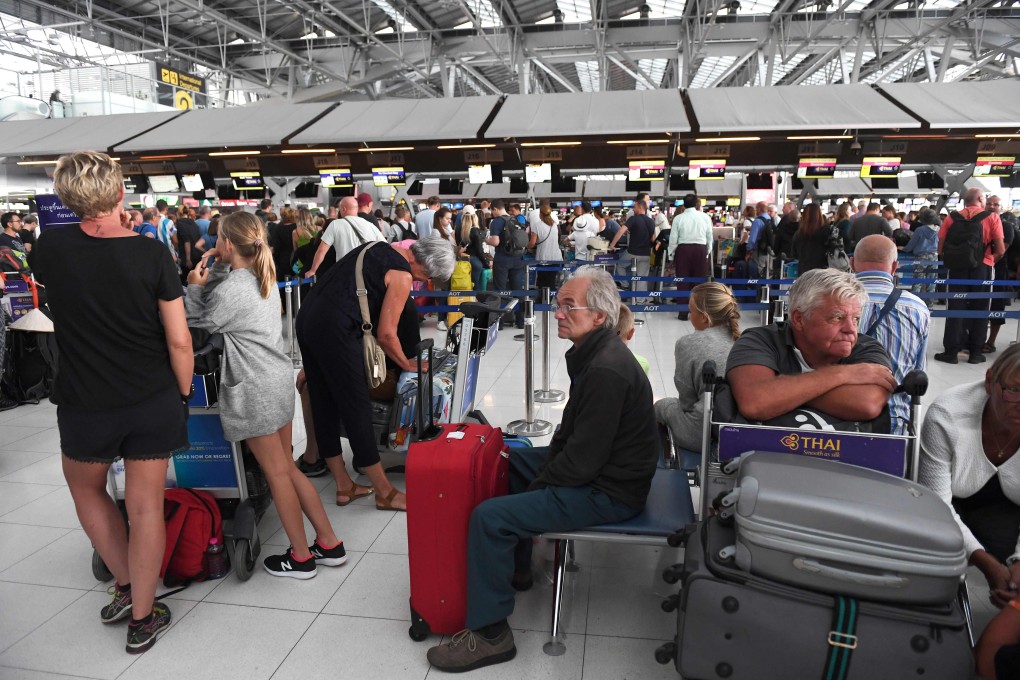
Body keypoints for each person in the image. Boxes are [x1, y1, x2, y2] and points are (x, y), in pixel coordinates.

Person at [426, 266, 657, 673]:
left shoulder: (605, 369)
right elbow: (573, 436)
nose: (558, 312)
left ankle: (491, 634)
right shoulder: (595, 353)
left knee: (489, 518)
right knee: (506, 462)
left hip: (611, 492)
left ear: (599, 316)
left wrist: (538, 487)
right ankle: (515, 570)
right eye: (559, 303)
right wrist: (539, 476)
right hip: (604, 469)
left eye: (570, 306)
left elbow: (582, 462)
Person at [28, 151, 192, 654]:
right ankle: (144, 615)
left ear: (64, 198)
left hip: (83, 399)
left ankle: (125, 584)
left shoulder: (48, 250)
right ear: (121, 194)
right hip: (150, 397)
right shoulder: (151, 255)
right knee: (145, 509)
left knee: (88, 492)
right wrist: (180, 394)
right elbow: (179, 341)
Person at [186, 212, 347, 579]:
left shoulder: (232, 289)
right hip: (275, 380)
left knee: (276, 474)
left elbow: (195, 327)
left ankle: (302, 557)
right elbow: (228, 298)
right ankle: (328, 542)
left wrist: (195, 287)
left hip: (253, 388)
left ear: (227, 244)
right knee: (287, 468)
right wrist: (221, 266)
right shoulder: (263, 278)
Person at [296, 237, 456, 511]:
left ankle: (344, 485)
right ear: (427, 267)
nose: (426, 281)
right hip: (336, 329)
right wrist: (406, 363)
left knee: (323, 402)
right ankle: (385, 493)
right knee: (355, 406)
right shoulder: (402, 275)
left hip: (308, 317)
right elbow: (385, 334)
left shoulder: (378, 246)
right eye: (430, 276)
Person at [725, 269, 896, 431]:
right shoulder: (759, 341)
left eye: (856, 319)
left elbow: (867, 403)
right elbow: (755, 402)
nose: (851, 329)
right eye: (837, 317)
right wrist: (843, 374)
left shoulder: (867, 349)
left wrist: (780, 393)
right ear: (799, 319)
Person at [920, 345, 1020, 608]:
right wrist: (990, 566)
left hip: (1006, 513)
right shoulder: (948, 413)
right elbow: (936, 505)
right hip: (949, 507)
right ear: (989, 382)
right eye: (1015, 391)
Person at [852, 235, 930, 435]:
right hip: (893, 419)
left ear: (852, 262)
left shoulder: (831, 300)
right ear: (895, 266)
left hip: (833, 419)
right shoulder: (917, 307)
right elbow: (918, 373)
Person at [654, 283, 741, 451]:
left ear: (704, 317)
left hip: (704, 433)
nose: (689, 314)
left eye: (691, 310)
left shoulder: (688, 343)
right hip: (740, 428)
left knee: (661, 406)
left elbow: (687, 402)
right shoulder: (743, 341)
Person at [934, 188, 1006, 365]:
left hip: (957, 269)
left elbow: (940, 248)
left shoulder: (952, 217)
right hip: (983, 268)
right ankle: (975, 353)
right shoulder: (992, 217)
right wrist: (989, 260)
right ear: (981, 199)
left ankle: (951, 352)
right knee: (981, 308)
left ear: (965, 201)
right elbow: (1001, 250)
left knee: (954, 308)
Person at [306, 196, 385, 278]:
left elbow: (321, 251)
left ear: (343, 209)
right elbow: (385, 247)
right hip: (367, 272)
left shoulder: (335, 224)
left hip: (345, 273)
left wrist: (312, 271)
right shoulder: (370, 225)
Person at [486, 200, 532, 328]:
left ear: (495, 209)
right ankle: (520, 321)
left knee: (499, 291)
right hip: (517, 259)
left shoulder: (497, 222)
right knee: (517, 291)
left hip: (502, 259)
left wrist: (486, 240)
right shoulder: (516, 220)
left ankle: (499, 323)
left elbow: (495, 241)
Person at [668, 194, 713, 321]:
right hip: (700, 249)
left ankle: (683, 313)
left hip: (684, 250)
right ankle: (699, 313)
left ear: (684, 204)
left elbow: (673, 239)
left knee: (682, 281)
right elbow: (710, 236)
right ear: (696, 204)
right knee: (699, 282)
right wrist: (707, 252)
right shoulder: (705, 217)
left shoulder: (678, 218)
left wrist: (671, 255)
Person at [610, 198, 656, 303]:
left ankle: (625, 285)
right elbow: (653, 238)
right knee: (642, 277)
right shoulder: (651, 221)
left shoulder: (633, 219)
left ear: (640, 206)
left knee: (620, 265)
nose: (633, 209)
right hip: (646, 254)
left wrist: (612, 245)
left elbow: (621, 231)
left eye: (634, 207)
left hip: (633, 252)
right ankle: (640, 300)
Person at [986, 195, 1014, 354]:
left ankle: (991, 341)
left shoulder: (1006, 226)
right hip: (982, 271)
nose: (992, 206)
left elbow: (1000, 252)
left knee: (996, 306)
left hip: (998, 273)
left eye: (995, 204)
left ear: (1001, 207)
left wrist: (984, 265)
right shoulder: (981, 223)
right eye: (989, 203)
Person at [901, 207, 940, 307]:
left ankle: (915, 303)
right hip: (934, 258)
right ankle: (930, 304)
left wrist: (904, 249)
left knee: (918, 280)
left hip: (920, 258)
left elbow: (911, 244)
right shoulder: (938, 229)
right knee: (932, 281)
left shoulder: (920, 230)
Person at [791, 204, 831, 275]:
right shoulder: (827, 232)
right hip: (824, 272)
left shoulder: (799, 234)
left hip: (804, 272)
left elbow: (795, 254)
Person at [459, 211, 488, 292]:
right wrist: (486, 262)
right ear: (475, 218)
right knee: (475, 287)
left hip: (464, 260)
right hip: (475, 261)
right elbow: (479, 250)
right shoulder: (475, 230)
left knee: (466, 285)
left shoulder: (461, 229)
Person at [271, 206, 298, 284]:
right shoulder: (297, 228)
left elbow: (276, 246)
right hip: (295, 258)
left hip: (282, 259)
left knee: (284, 281)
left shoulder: (278, 228)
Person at [174, 207, 201, 277]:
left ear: (178, 213)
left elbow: (187, 241)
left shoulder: (180, 223)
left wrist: (188, 259)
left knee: (185, 279)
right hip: (197, 255)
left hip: (187, 256)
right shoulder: (193, 222)